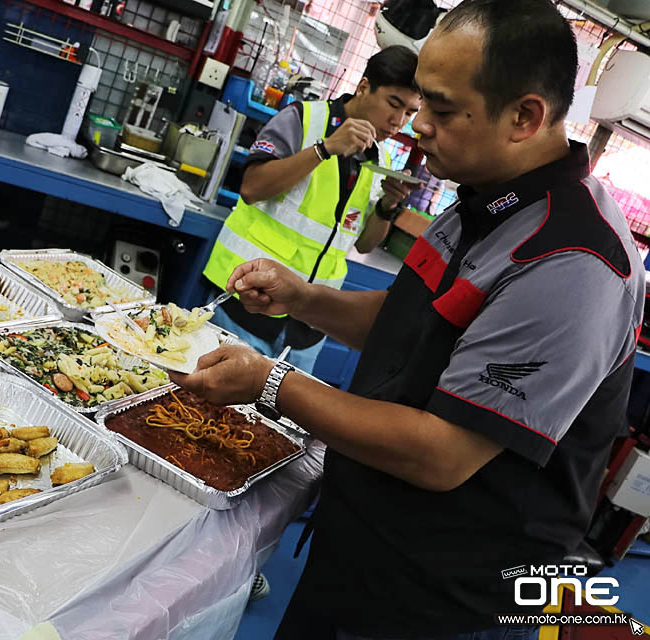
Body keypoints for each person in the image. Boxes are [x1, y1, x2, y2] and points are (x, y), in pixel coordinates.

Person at [173, 0, 645, 636]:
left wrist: (271, 384)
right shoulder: (483, 196)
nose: (416, 124)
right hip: (364, 540)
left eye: (442, 109)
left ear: (524, 117)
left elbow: (441, 453)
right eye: (419, 101)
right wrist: (304, 298)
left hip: (450, 593)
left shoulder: (574, 259)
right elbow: (409, 321)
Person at [202, 46, 423, 374]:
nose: (399, 121)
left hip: (307, 329)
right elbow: (252, 188)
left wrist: (388, 206)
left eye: (410, 112)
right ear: (363, 87)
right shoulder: (303, 119)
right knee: (203, 412)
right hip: (246, 306)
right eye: (394, 103)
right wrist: (325, 148)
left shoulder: (379, 158)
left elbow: (363, 244)